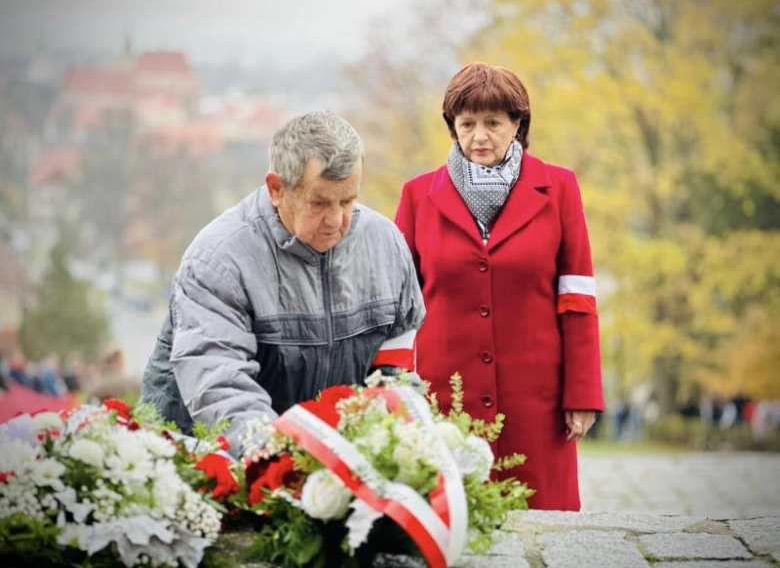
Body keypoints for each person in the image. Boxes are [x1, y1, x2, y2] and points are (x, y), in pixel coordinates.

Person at [142, 111, 424, 458]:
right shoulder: (219, 259)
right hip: (219, 464)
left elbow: (396, 371)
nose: (336, 221)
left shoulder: (385, 245)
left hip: (335, 472)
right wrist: (287, 460)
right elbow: (220, 385)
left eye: (347, 201)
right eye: (319, 203)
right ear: (276, 188)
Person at [394, 63, 603, 510]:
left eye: (493, 123)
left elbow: (578, 298)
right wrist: (394, 392)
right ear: (453, 128)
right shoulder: (416, 196)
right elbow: (398, 310)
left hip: (536, 404)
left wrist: (582, 393)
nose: (479, 136)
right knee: (450, 527)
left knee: (544, 533)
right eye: (467, 124)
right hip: (444, 403)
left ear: (517, 125)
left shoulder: (560, 188)